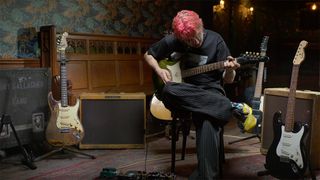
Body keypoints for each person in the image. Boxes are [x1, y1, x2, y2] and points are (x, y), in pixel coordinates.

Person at [144, 10, 240, 179]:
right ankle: (228, 106)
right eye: (188, 40)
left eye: (196, 36)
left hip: (210, 91)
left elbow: (229, 80)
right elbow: (148, 55)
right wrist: (159, 70)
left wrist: (230, 70)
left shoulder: (216, 40)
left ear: (200, 26)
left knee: (207, 118)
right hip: (184, 92)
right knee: (168, 90)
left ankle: (206, 176)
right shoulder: (173, 40)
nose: (194, 42)